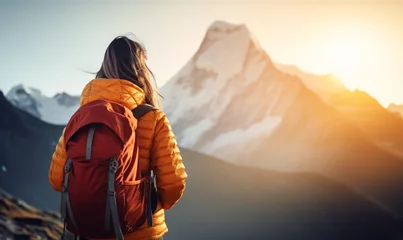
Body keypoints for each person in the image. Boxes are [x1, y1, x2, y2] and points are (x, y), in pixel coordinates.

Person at [48, 35, 187, 240]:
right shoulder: (153, 118)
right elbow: (174, 183)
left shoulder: (79, 118)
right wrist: (146, 204)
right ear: (141, 71)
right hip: (138, 232)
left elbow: (57, 179)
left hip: (85, 232)